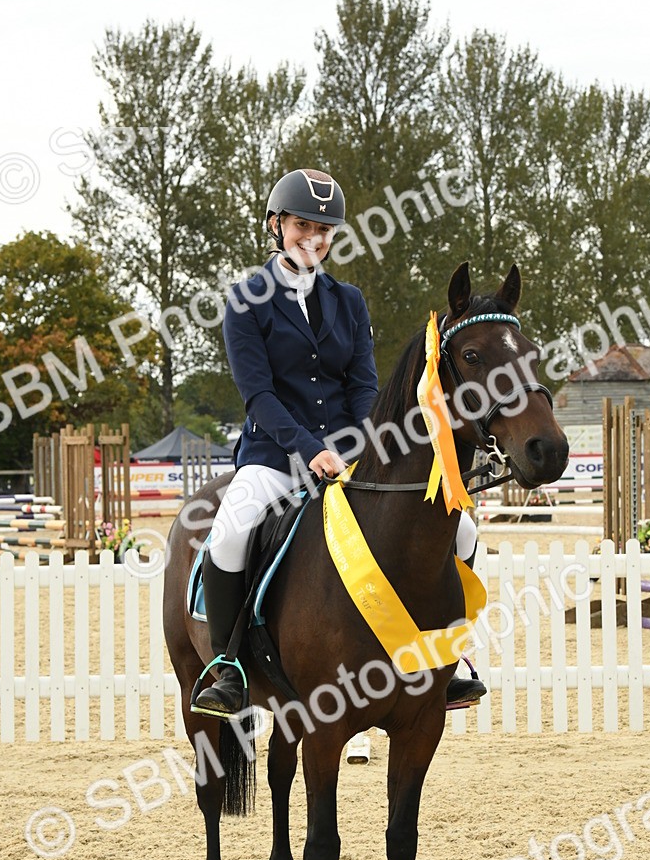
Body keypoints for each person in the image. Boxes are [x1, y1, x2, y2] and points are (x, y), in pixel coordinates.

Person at [192, 167, 483, 718]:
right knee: (229, 534)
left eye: (325, 229)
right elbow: (258, 396)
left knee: (462, 527)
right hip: (274, 456)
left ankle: (448, 657)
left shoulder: (348, 301)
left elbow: (363, 385)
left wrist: (360, 444)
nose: (315, 238)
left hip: (349, 455)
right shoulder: (245, 301)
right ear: (276, 226)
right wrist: (308, 448)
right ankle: (227, 666)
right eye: (303, 224)